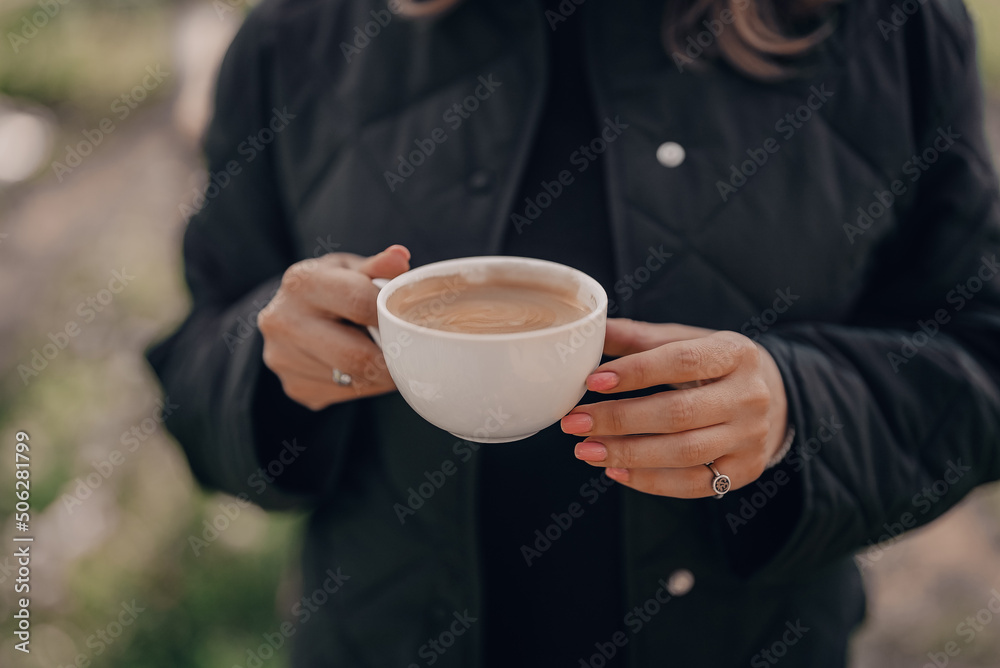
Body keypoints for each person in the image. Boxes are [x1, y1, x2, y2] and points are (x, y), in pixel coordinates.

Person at [147, 0, 1000, 665]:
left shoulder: (895, 31)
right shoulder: (298, 36)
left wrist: (800, 412)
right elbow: (193, 365)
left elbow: (979, 358)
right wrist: (269, 372)